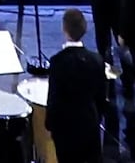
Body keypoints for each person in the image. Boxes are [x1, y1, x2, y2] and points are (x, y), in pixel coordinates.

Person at [42, 8, 107, 160]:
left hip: (66, 129)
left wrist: (49, 125)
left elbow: (54, 98)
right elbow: (101, 98)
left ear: (64, 29)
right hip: (89, 124)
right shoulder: (97, 60)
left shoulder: (58, 62)